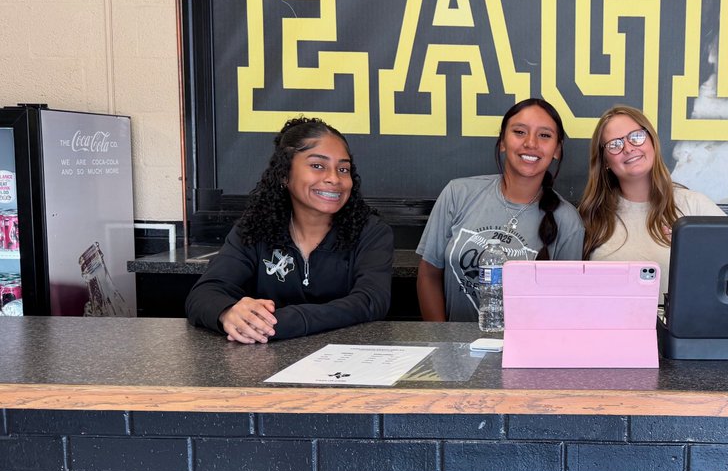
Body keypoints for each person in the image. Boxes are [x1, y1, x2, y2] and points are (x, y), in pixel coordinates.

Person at [185, 117, 392, 343]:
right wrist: (229, 313)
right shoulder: (254, 228)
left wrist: (279, 322)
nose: (334, 178)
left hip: (346, 355)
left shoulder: (371, 231)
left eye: (343, 169)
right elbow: (204, 294)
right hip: (262, 358)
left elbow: (371, 301)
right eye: (318, 166)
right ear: (285, 174)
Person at [416, 97, 584, 321]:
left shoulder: (568, 221)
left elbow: (564, 306)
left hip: (523, 344)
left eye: (544, 135)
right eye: (519, 132)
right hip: (454, 343)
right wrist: (443, 338)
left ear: (557, 150)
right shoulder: (458, 193)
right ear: (503, 142)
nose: (531, 143)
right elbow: (429, 275)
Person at [579, 105, 723, 298]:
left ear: (652, 141)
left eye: (636, 136)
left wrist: (695, 250)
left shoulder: (694, 206)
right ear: (605, 161)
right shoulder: (589, 216)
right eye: (614, 144)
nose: (628, 148)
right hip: (608, 318)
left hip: (678, 318)